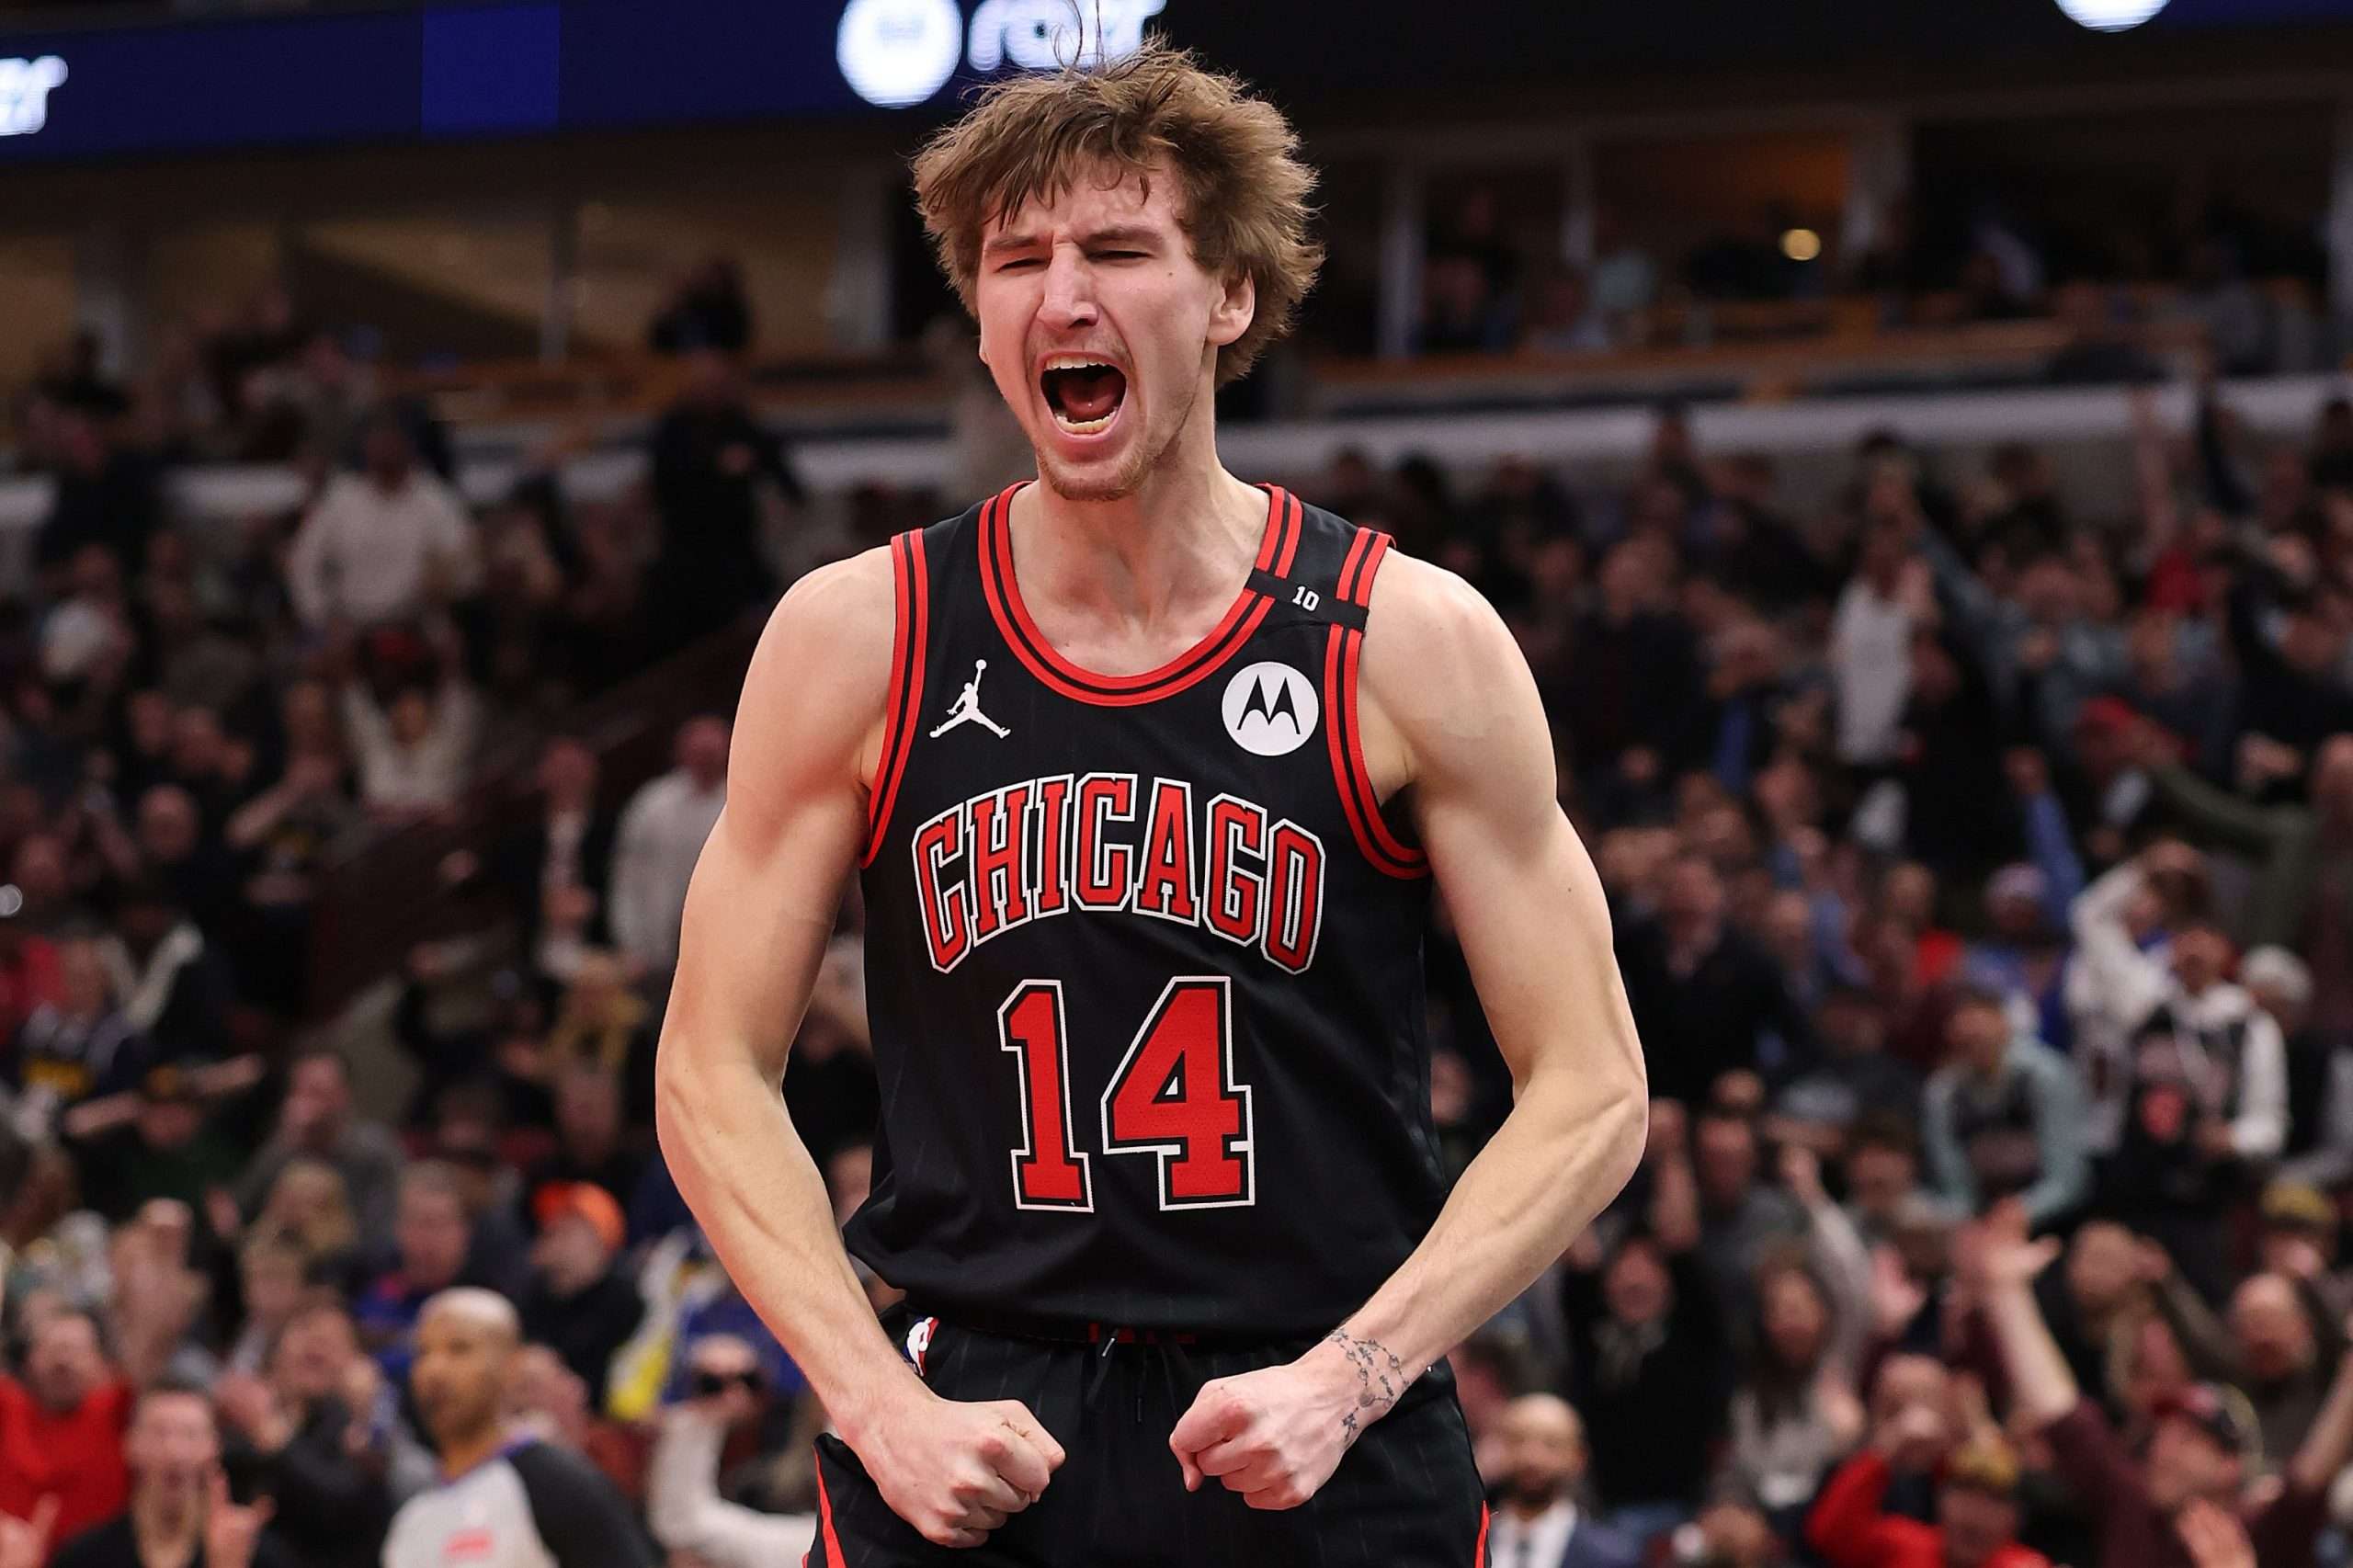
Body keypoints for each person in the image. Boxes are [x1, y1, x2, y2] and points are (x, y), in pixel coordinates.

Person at [654, 42, 1647, 1568]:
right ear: (981, 320)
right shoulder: (862, 635)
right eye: (1015, 262)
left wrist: (1354, 1378)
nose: (1063, 296)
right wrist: (870, 1400)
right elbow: (712, 1065)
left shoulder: (1407, 638)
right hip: (975, 1409)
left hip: (1308, 1408)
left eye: (1118, 250)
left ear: (1230, 296)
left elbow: (1591, 1085)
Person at [1961, 1199, 2353, 1568]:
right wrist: (2006, 1292)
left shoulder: (2262, 1531)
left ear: (2230, 1466)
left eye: (2187, 1439)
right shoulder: (2131, 1505)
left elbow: (2313, 1472)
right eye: (2162, 1435)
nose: (2163, 1449)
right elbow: (2062, 1412)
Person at [380, 1290, 654, 1568]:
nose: (435, 1371)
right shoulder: (412, 1515)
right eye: (423, 1352)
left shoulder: (557, 1484)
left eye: (459, 1349)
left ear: (511, 1365)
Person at [48, 1381, 289, 1568]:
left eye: (190, 1435)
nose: (175, 1452)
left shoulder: (250, 1553)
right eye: (159, 1433)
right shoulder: (86, 1555)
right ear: (130, 1444)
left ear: (214, 1447)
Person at [283, 412, 479, 632]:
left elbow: (465, 564)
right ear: (366, 447)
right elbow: (303, 561)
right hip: (352, 623)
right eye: (378, 442)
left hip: (416, 622)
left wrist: (444, 583)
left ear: (407, 447)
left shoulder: (434, 498)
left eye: (391, 443)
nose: (384, 450)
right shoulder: (341, 499)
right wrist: (320, 616)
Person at [643, 1335, 817, 1568]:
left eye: (748, 1380)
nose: (734, 1395)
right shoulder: (680, 1434)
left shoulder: (792, 1438)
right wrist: (701, 1422)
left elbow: (688, 1525)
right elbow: (680, 1524)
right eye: (712, 1384)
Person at [608, 717, 729, 981]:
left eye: (711, 753)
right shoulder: (651, 804)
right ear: (683, 753)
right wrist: (629, 943)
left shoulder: (738, 800)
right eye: (699, 753)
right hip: (655, 947)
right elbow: (628, 877)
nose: (706, 760)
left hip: (723, 938)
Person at [0, 1311, 133, 1548]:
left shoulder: (116, 1411)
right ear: (29, 1359)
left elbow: (149, 1348)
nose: (62, 1361)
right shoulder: (9, 1409)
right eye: (51, 1350)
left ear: (102, 1363)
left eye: (76, 1351)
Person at [1483, 1394, 1641, 1568]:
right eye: (1518, 1440)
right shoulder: (1465, 1543)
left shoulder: (1611, 1556)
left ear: (1578, 1458)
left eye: (1551, 1444)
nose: (1532, 1458)